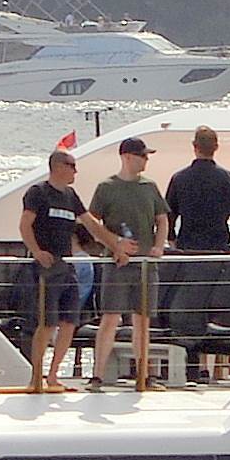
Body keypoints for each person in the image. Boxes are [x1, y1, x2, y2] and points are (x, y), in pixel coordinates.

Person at [19, 148, 138, 393]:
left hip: (67, 265)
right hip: (46, 267)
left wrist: (115, 246)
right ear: (58, 167)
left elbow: (92, 225)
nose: (76, 171)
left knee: (69, 321)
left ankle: (53, 375)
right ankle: (36, 376)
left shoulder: (70, 195)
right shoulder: (38, 193)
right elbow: (25, 225)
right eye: (72, 165)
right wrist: (36, 251)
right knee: (47, 323)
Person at [89, 137, 171, 391]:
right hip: (116, 264)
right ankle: (97, 376)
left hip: (145, 265)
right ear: (127, 156)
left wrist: (158, 246)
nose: (145, 160)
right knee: (110, 318)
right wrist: (115, 244)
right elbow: (92, 223)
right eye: (142, 155)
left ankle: (143, 376)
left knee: (142, 321)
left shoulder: (150, 187)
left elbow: (162, 219)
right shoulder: (107, 187)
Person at [165, 126, 230, 252]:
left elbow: (168, 216)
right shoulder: (227, 179)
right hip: (219, 247)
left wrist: (172, 243)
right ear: (216, 147)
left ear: (194, 146)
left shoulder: (179, 178)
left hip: (188, 246)